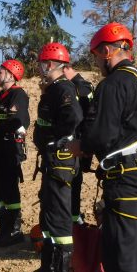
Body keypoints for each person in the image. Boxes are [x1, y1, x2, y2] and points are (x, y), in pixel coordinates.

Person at [68, 22, 137, 272]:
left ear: (107, 50)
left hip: (126, 181)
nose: (98, 63)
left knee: (120, 262)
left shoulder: (113, 84)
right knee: (130, 252)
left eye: (97, 57)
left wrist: (80, 146)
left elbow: (100, 134)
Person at [32, 42, 83, 272]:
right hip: (52, 161)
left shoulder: (63, 88)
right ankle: (49, 270)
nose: (40, 67)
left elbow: (73, 117)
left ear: (50, 64)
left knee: (61, 218)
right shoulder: (51, 88)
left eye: (42, 63)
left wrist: (59, 139)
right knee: (49, 215)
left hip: (61, 161)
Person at [0, 59, 30, 247]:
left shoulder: (18, 95)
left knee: (9, 189)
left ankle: (14, 230)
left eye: (1, 71)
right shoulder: (0, 97)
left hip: (10, 149)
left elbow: (18, 121)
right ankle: (3, 228)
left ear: (12, 75)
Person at [62, 59, 95, 225]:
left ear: (67, 68)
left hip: (78, 146)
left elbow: (86, 121)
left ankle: (74, 222)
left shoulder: (79, 88)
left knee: (73, 186)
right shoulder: (83, 86)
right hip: (80, 145)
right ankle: (73, 220)